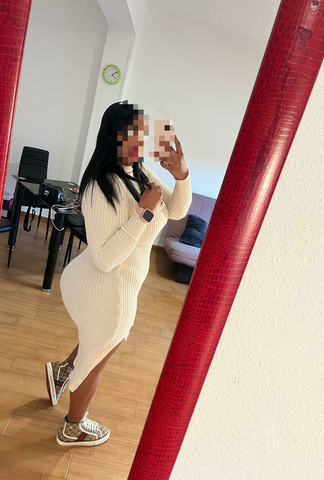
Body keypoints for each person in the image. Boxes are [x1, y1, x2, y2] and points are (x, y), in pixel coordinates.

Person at [44, 101, 192, 447]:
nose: (141, 141)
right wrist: (142, 214)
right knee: (97, 358)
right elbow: (104, 259)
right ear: (115, 136)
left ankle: (62, 372)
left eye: (143, 133)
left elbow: (176, 210)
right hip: (105, 286)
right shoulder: (102, 186)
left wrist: (182, 175)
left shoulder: (138, 171)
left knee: (98, 342)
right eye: (134, 134)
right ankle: (72, 428)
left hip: (116, 285)